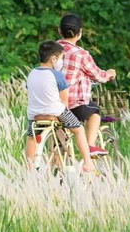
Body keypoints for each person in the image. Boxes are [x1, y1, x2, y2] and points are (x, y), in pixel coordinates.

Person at [24, 40, 95, 173]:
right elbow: (64, 101)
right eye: (61, 58)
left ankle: (28, 167)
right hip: (54, 112)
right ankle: (87, 162)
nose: (61, 62)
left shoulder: (32, 73)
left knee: (31, 136)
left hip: (35, 115)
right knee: (79, 130)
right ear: (53, 59)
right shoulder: (57, 75)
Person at [57, 13, 116, 155]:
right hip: (72, 104)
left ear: (59, 31)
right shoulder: (81, 54)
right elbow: (98, 75)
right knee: (94, 111)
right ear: (80, 33)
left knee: (60, 139)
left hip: (50, 102)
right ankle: (90, 146)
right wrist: (108, 74)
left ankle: (58, 161)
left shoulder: (50, 50)